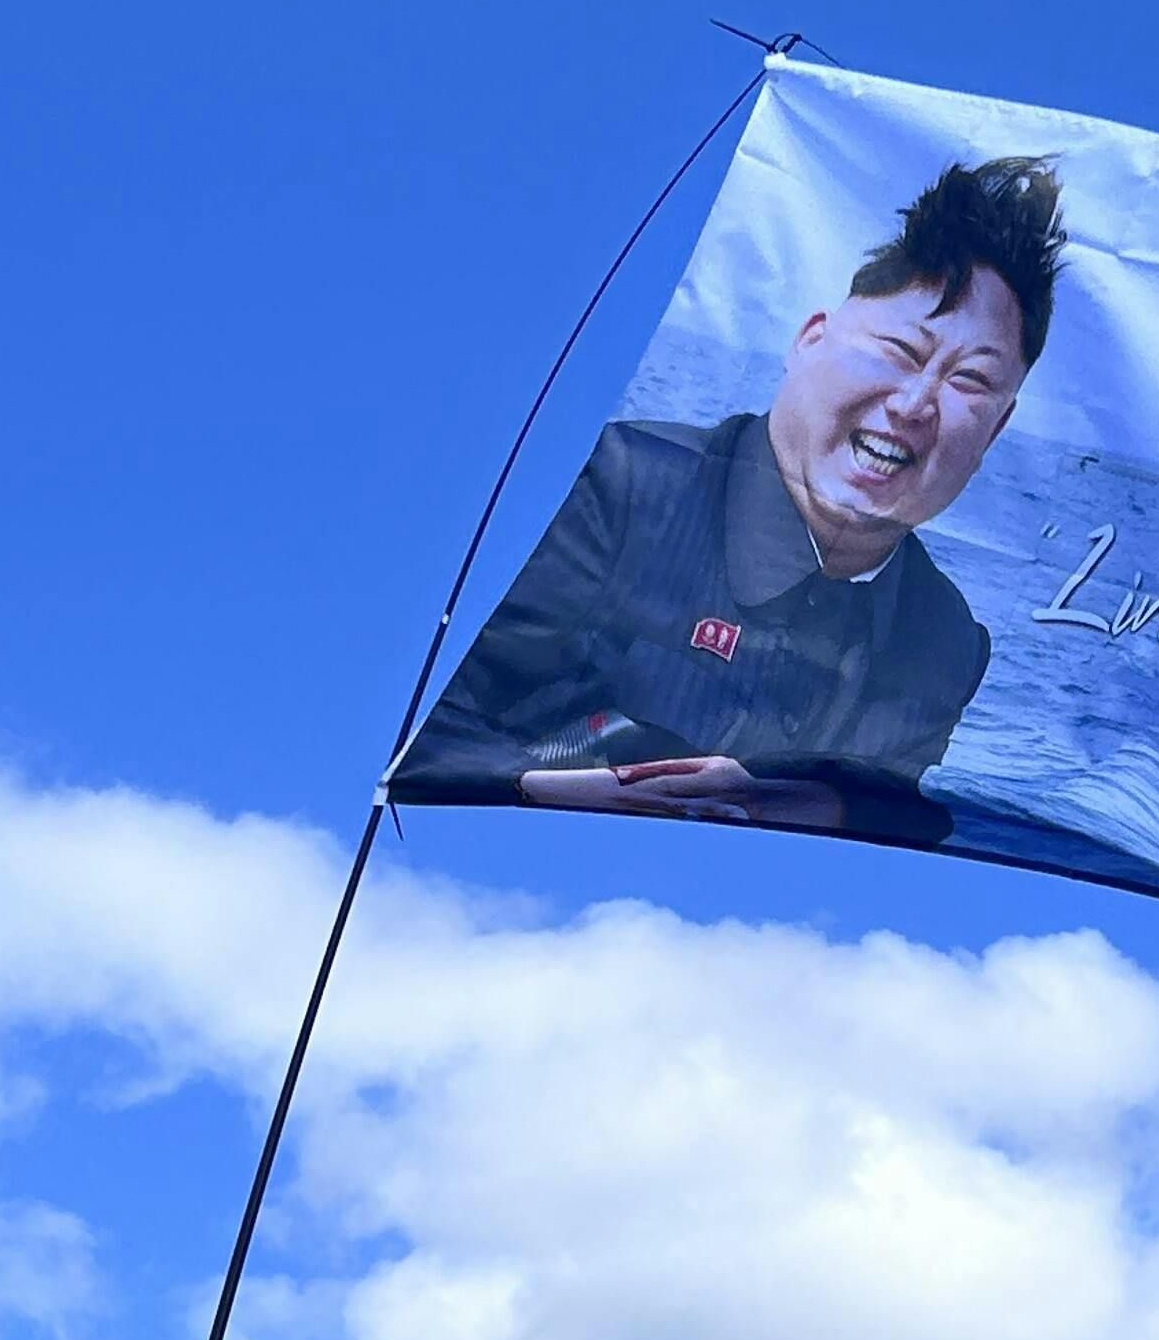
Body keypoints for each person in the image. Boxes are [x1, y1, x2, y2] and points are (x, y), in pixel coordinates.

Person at [391, 154, 1065, 838]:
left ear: (995, 430)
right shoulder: (623, 485)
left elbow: (900, 818)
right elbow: (443, 731)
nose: (916, 403)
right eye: (899, 350)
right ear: (809, 340)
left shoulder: (945, 639)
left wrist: (818, 807)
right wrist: (556, 784)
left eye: (970, 383)